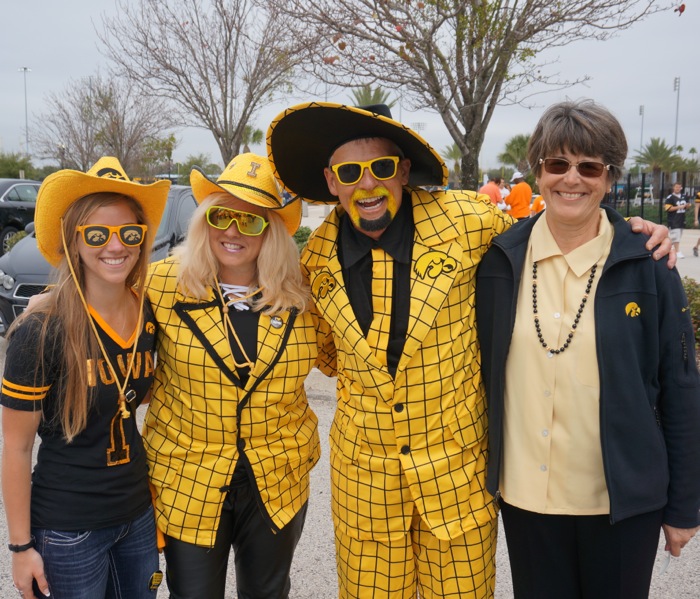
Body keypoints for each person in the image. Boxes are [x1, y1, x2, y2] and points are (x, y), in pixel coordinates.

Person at [266, 101, 674, 598]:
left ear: (403, 171)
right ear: (331, 182)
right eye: (351, 172)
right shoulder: (315, 258)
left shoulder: (470, 224)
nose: (367, 185)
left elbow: (563, 223)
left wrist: (631, 229)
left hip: (456, 483)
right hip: (365, 484)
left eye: (381, 168)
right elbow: (328, 355)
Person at [476, 100, 700, 599]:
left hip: (620, 506)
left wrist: (685, 506)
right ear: (538, 170)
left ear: (610, 176)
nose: (570, 179)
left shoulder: (649, 266)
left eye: (589, 167)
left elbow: (680, 384)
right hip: (527, 501)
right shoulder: (498, 261)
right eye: (557, 164)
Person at [143, 153, 334, 598]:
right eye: (222, 215)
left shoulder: (303, 299)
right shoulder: (160, 284)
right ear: (204, 220)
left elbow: (348, 356)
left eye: (250, 221)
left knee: (267, 593)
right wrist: (48, 303)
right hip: (188, 476)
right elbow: (97, 294)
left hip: (277, 477)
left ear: (271, 232)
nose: (232, 230)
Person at [1, 157, 169, 599]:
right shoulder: (41, 332)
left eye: (128, 233)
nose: (115, 246)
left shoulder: (151, 314)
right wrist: (20, 548)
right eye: (97, 234)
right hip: (68, 528)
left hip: (137, 516)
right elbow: (16, 448)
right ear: (73, 241)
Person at [665, 181, 688, 257]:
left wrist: (687, 206)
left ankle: (669, 248)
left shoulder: (684, 196)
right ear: (673, 188)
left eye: (679, 187)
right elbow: (667, 208)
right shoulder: (670, 197)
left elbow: (687, 205)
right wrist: (679, 207)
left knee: (678, 235)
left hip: (681, 218)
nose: (678, 188)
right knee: (676, 236)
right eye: (676, 187)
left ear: (681, 188)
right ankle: (677, 251)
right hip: (673, 219)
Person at [692, 190, 700, 256]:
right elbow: (697, 207)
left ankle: (696, 247)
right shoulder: (699, 194)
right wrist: (696, 219)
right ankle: (696, 247)